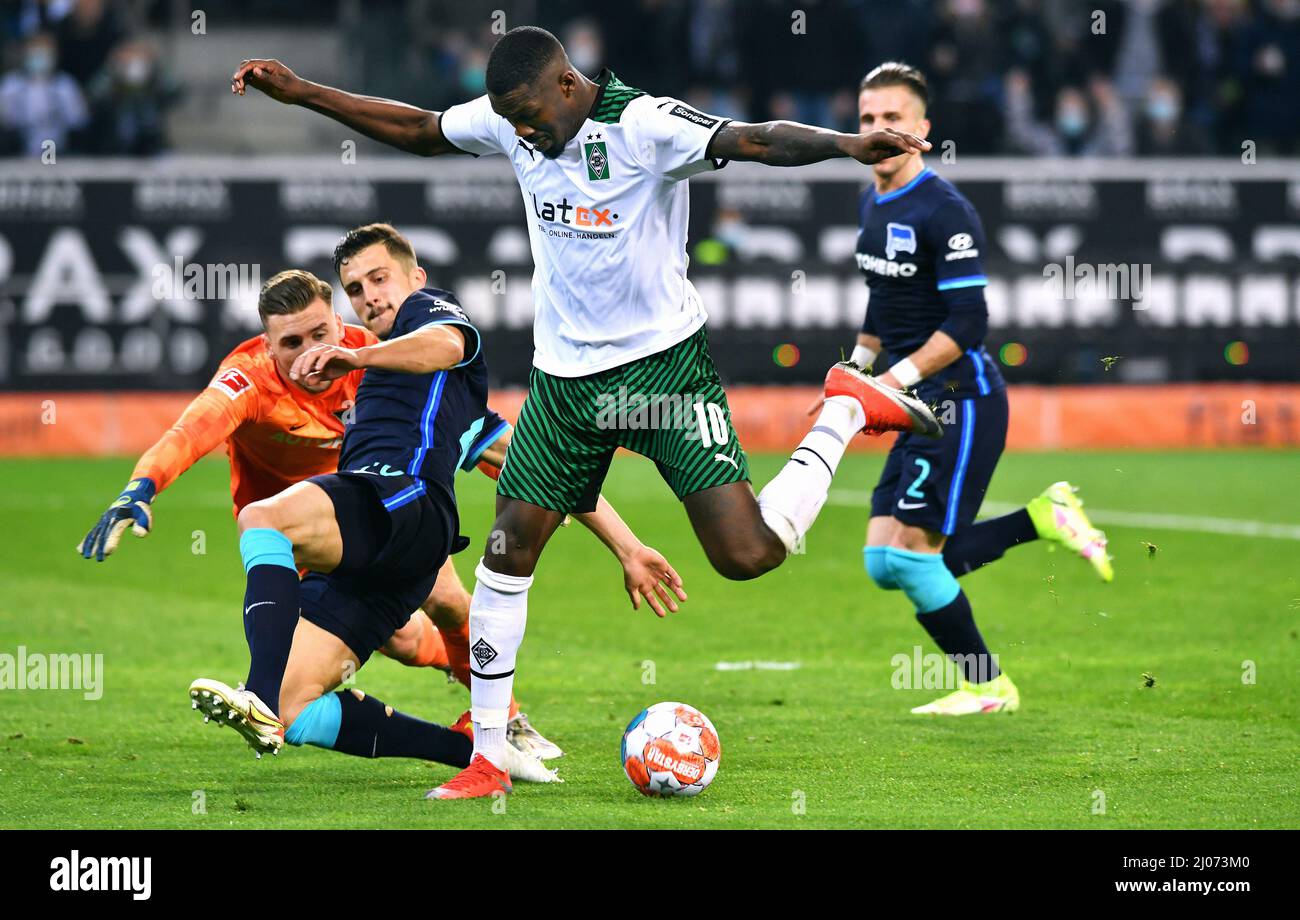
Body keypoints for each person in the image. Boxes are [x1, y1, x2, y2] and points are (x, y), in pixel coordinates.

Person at [231, 26, 941, 798]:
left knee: (747, 555)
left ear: (566, 86)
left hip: (663, 373)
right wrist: (303, 93)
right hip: (565, 384)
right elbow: (422, 130)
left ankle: (843, 409)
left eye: (532, 118)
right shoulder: (513, 118)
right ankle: (489, 761)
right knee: (506, 551)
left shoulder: (644, 127)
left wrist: (845, 144)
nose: (524, 136)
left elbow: (757, 139)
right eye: (513, 124)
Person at [849, 62, 1113, 716]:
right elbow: (884, 300)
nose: (878, 131)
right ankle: (1039, 520)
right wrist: (857, 366)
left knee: (913, 558)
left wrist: (894, 380)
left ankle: (988, 686)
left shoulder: (946, 210)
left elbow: (970, 323)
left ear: (921, 131)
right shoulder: (872, 202)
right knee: (884, 563)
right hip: (913, 402)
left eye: (892, 120)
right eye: (866, 121)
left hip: (958, 401)